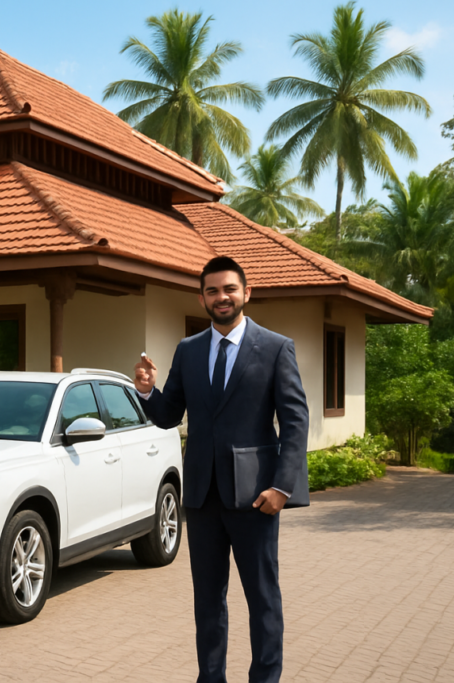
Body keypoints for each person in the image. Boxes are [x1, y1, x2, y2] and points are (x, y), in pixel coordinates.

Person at [133, 256, 309, 683]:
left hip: (256, 498)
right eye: (212, 291)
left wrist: (282, 487)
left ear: (246, 292)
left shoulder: (275, 347)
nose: (221, 297)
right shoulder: (189, 350)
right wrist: (148, 392)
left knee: (262, 598)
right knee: (207, 601)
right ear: (202, 298)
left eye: (229, 289)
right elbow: (169, 415)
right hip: (202, 497)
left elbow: (295, 420)